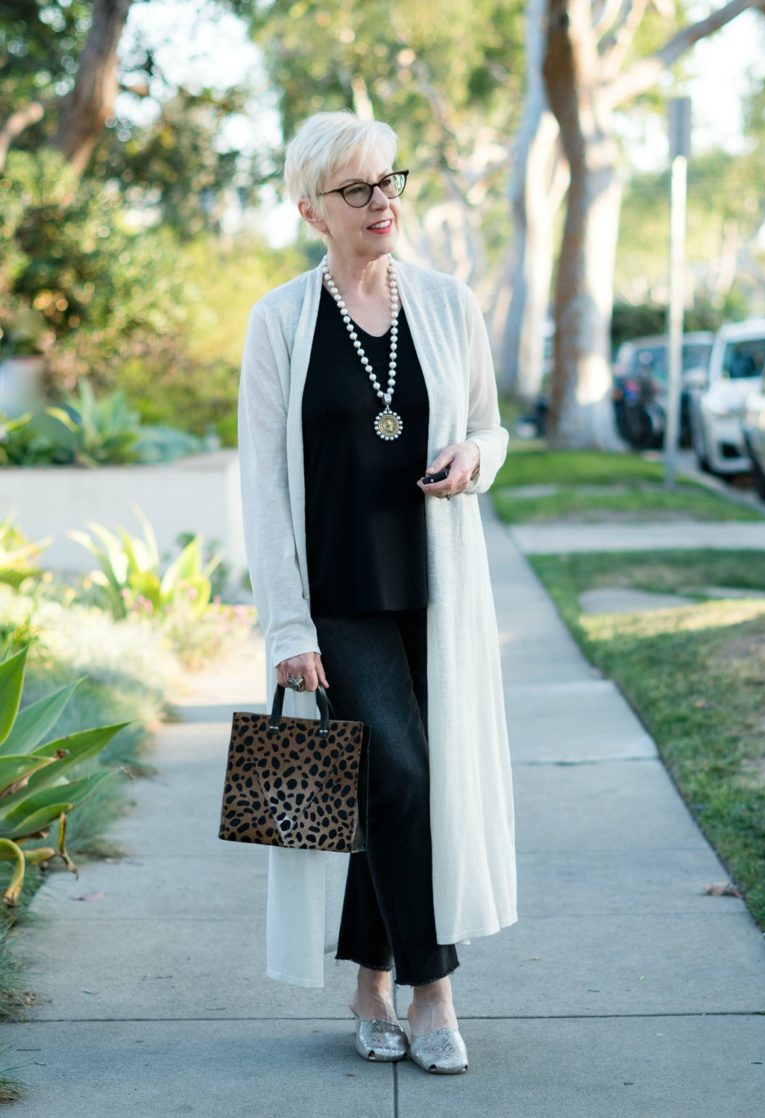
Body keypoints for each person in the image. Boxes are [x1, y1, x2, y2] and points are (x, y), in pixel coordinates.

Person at [237, 110, 517, 1075]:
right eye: (355, 190)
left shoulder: (446, 302)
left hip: (437, 592)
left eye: (389, 180)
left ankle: (369, 982)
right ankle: (432, 992)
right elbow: (263, 486)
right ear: (310, 208)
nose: (381, 201)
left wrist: (475, 456)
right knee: (395, 769)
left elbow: (491, 426)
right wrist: (285, 623)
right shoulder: (279, 320)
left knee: (401, 785)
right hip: (339, 597)